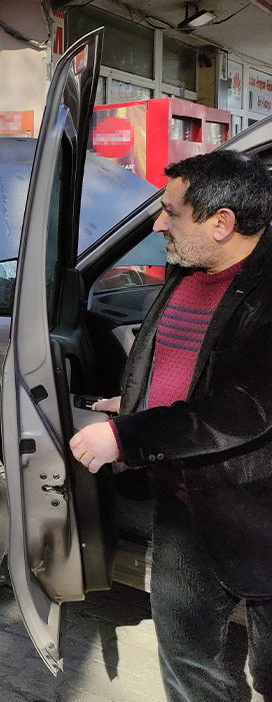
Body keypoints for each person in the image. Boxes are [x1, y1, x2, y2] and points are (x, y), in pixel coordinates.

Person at [69, 150, 272, 702]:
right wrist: (131, 403)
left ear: (221, 222)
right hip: (182, 512)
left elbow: (241, 406)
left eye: (170, 212)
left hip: (258, 518)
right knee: (189, 669)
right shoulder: (188, 271)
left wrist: (127, 437)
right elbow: (177, 365)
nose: (158, 224)